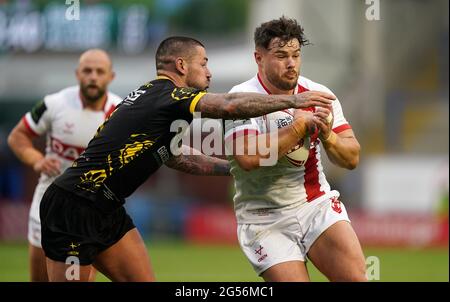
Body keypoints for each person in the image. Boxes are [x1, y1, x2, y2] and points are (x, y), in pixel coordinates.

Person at [38, 36, 335, 281]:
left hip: (108, 210)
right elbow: (229, 106)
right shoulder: (168, 95)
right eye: (203, 64)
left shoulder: (155, 99)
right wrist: (295, 100)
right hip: (72, 205)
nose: (209, 72)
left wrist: (234, 168)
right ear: (181, 65)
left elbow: (175, 156)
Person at [224, 17, 367, 281]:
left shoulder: (318, 93)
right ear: (259, 57)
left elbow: (351, 158)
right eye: (281, 55)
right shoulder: (241, 98)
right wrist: (298, 128)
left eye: (296, 55)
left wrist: (328, 136)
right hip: (264, 217)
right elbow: (248, 157)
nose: (291, 64)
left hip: (315, 204)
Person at [7, 49, 122, 282]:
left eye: (100, 71)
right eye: (87, 71)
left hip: (95, 206)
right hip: (48, 202)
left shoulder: (122, 112)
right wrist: (37, 160)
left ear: (111, 77)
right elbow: (17, 137)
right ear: (77, 74)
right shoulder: (54, 104)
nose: (93, 76)